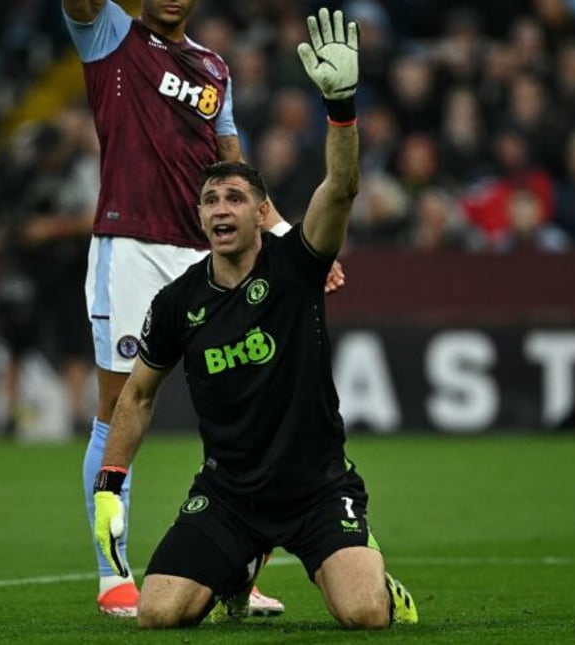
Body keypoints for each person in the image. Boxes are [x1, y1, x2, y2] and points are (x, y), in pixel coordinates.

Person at [91, 8, 418, 629]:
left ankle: (373, 571)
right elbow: (137, 395)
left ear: (260, 210)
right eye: (210, 199)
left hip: (317, 489)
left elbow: (342, 188)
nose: (220, 208)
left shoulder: (296, 266)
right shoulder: (177, 302)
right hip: (230, 497)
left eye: (235, 197)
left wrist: (342, 106)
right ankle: (239, 568)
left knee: (364, 614)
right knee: (158, 613)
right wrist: (111, 481)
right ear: (200, 217)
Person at [62, 0, 346, 617]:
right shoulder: (109, 34)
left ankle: (237, 572)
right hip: (132, 243)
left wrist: (290, 242)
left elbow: (235, 170)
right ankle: (113, 570)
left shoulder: (213, 67)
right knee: (119, 405)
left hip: (206, 250)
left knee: (251, 402)